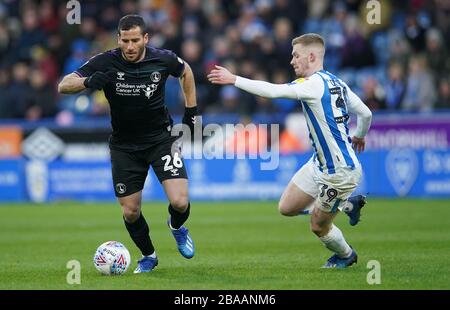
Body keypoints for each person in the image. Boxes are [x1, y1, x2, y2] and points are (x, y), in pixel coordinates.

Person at [208, 33, 372, 268]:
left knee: (318, 225)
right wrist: (360, 135)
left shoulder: (312, 84)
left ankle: (346, 255)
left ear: (312, 56)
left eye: (296, 55)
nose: (292, 61)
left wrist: (234, 79)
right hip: (319, 163)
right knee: (287, 207)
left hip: (340, 172)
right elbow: (366, 113)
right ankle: (347, 205)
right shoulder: (337, 82)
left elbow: (273, 91)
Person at [58, 15, 198, 273]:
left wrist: (191, 113)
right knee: (131, 212)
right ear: (118, 39)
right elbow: (63, 85)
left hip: (161, 140)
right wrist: (87, 82)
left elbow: (185, 71)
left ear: (146, 38)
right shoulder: (106, 61)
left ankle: (176, 227)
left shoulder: (162, 58)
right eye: (125, 41)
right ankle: (149, 256)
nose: (130, 46)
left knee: (180, 202)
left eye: (136, 40)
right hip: (124, 146)